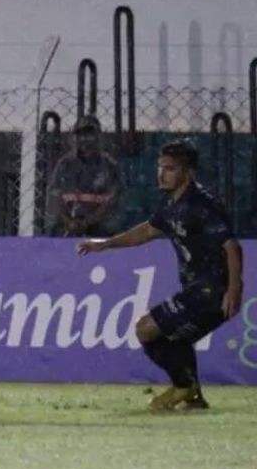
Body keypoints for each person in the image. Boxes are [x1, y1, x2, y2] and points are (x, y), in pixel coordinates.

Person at [77, 140, 243, 411]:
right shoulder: (173, 205)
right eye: (160, 167)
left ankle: (183, 386)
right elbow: (146, 231)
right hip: (198, 290)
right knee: (175, 339)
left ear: (187, 173)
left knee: (146, 330)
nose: (161, 174)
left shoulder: (202, 205)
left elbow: (231, 246)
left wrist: (234, 289)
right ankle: (194, 397)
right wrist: (105, 244)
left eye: (170, 169)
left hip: (211, 291)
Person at [47, 115, 122, 237]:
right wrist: (68, 222)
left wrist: (86, 223)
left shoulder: (109, 165)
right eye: (80, 135)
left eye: (89, 135)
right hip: (66, 227)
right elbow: (54, 196)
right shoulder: (64, 164)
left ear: (98, 137)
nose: (84, 139)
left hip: (99, 229)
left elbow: (113, 202)